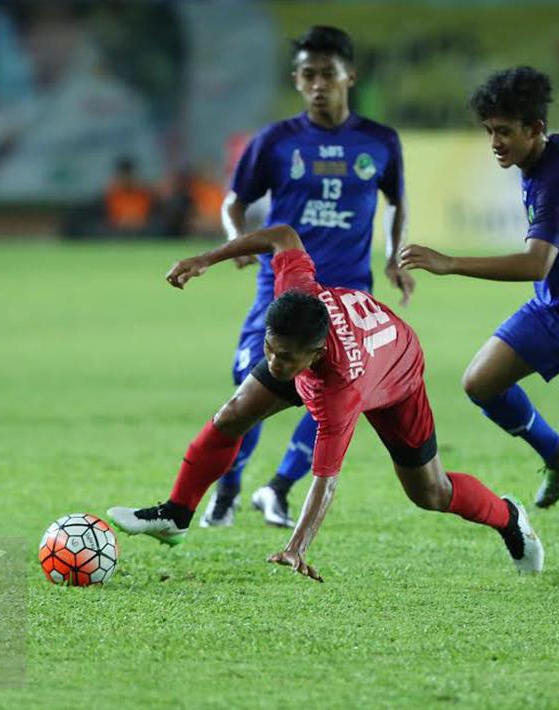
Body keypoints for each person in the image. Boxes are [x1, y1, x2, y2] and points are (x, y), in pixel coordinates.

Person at [108, 224, 543, 579]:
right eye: (269, 348)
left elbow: (326, 479)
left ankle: (508, 518)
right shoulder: (295, 300)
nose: (273, 362)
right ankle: (176, 513)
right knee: (234, 413)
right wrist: (206, 258)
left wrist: (296, 547)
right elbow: (282, 234)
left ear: (313, 355)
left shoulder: (339, 389)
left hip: (396, 371)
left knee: (430, 492)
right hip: (344, 348)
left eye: (285, 357)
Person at [399, 67, 559, 562]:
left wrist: (450, 264)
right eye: (489, 130)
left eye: (505, 131)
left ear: (534, 128)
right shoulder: (557, 150)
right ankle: (550, 458)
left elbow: (537, 261)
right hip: (558, 308)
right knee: (480, 383)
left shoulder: (556, 182)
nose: (495, 142)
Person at [209, 25, 413, 529]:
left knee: (334, 392)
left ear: (350, 76)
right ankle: (229, 488)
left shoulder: (380, 142)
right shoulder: (276, 142)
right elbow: (234, 202)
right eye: (308, 75)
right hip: (283, 289)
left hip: (347, 295)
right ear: (297, 81)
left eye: (328, 73)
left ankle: (277, 488)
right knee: (249, 383)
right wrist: (237, 242)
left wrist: (392, 257)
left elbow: (398, 203)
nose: (318, 83)